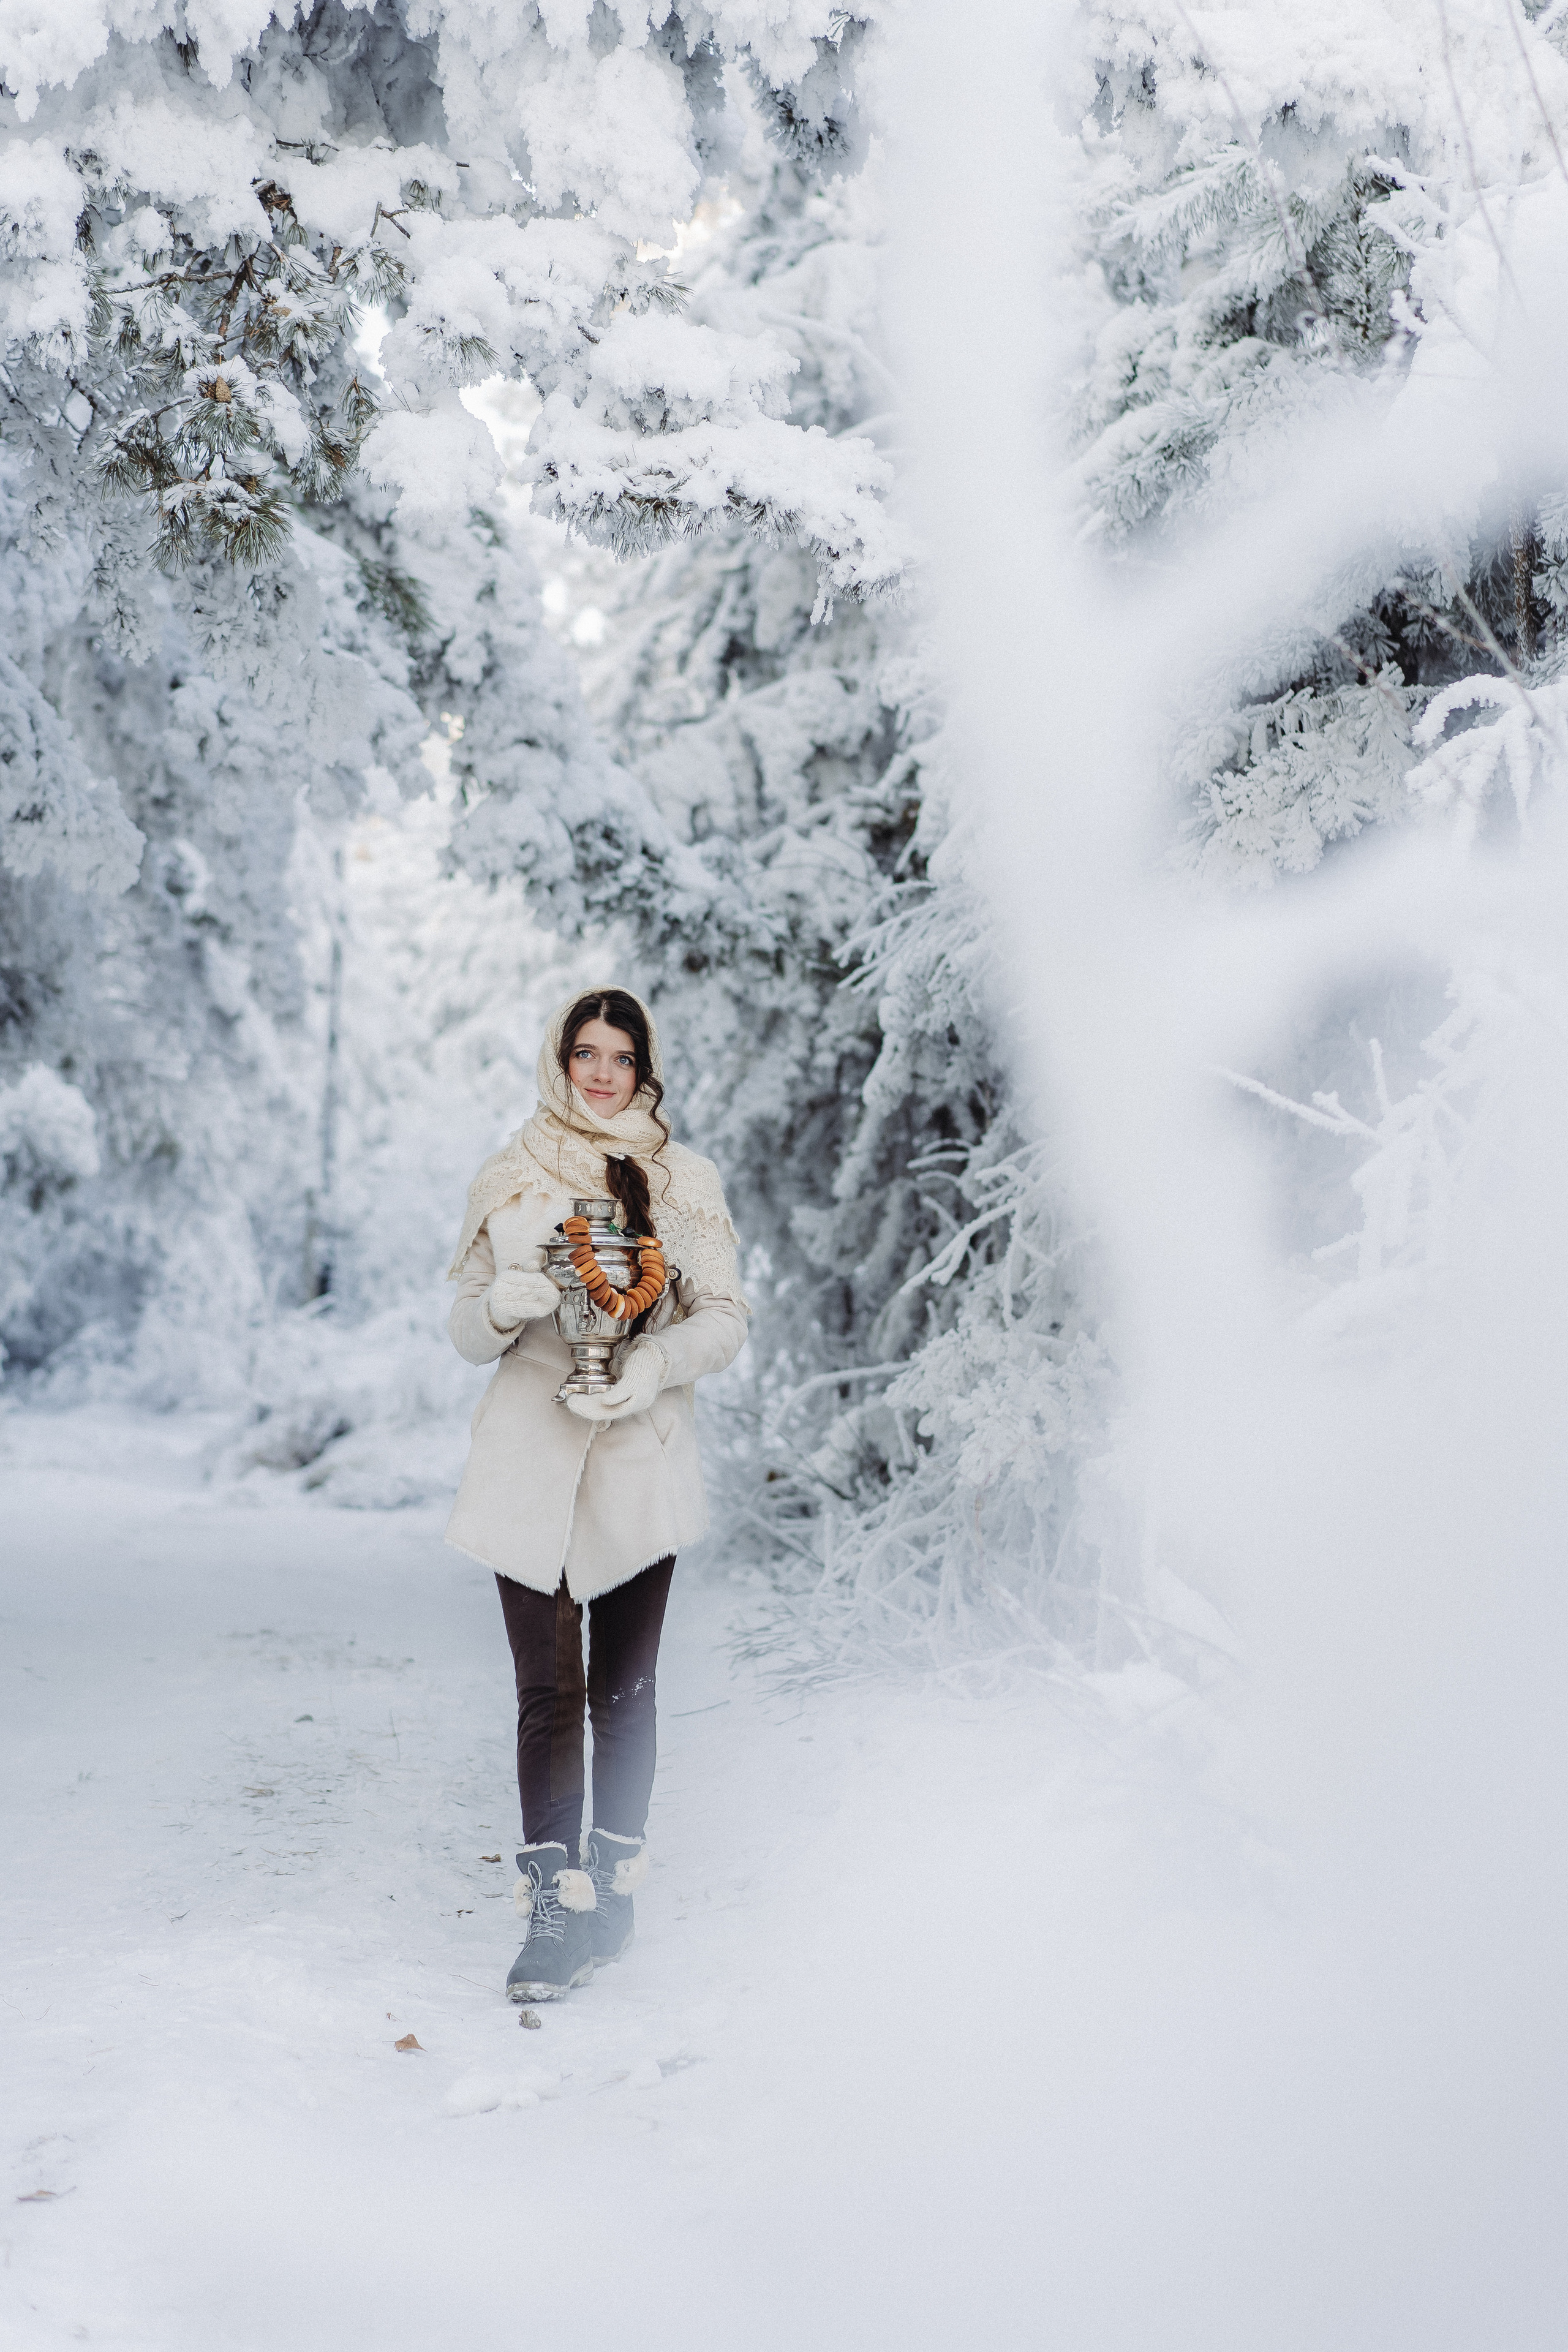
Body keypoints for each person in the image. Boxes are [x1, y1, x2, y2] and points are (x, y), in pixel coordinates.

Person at [444, 987, 748, 2001]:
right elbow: (459, 1322)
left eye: (623, 1055)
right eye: (587, 1053)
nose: (604, 1073)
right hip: (527, 1462)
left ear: (646, 1063)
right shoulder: (513, 1173)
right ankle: (550, 1910)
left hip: (637, 1458)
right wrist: (496, 1308)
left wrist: (654, 1363)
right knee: (548, 1693)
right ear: (560, 1060)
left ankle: (613, 1887)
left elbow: (725, 1320)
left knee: (624, 1693)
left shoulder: (681, 1180)